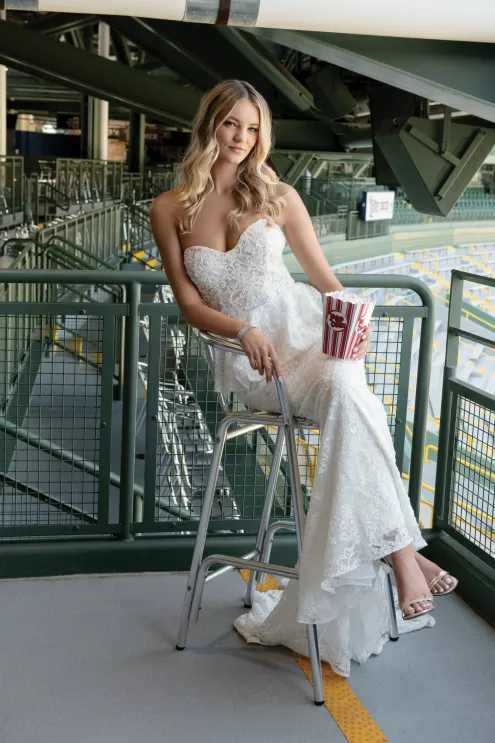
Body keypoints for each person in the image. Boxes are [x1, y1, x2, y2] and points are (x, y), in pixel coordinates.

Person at [150, 79, 458, 677]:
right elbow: (188, 304)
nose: (241, 138)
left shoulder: (279, 196)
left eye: (253, 128)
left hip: (310, 339)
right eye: (231, 123)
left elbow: (326, 282)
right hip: (251, 362)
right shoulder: (169, 208)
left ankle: (397, 557)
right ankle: (404, 553)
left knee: (344, 387)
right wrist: (241, 329)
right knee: (349, 399)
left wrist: (354, 324)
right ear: (209, 125)